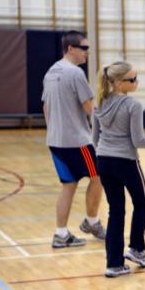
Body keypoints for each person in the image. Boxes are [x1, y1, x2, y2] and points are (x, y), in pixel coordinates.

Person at [41, 30, 105, 248]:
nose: (87, 52)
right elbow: (89, 107)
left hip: (55, 140)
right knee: (99, 176)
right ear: (71, 49)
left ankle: (60, 234)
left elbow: (45, 107)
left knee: (68, 185)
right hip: (77, 141)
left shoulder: (50, 72)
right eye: (84, 48)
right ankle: (92, 221)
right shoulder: (75, 73)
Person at [92, 61, 145, 277]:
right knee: (141, 203)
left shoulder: (99, 102)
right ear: (118, 83)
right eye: (132, 79)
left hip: (104, 160)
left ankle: (114, 264)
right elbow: (138, 140)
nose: (137, 82)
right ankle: (136, 248)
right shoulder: (132, 106)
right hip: (126, 160)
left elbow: (95, 138)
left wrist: (104, 152)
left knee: (115, 211)